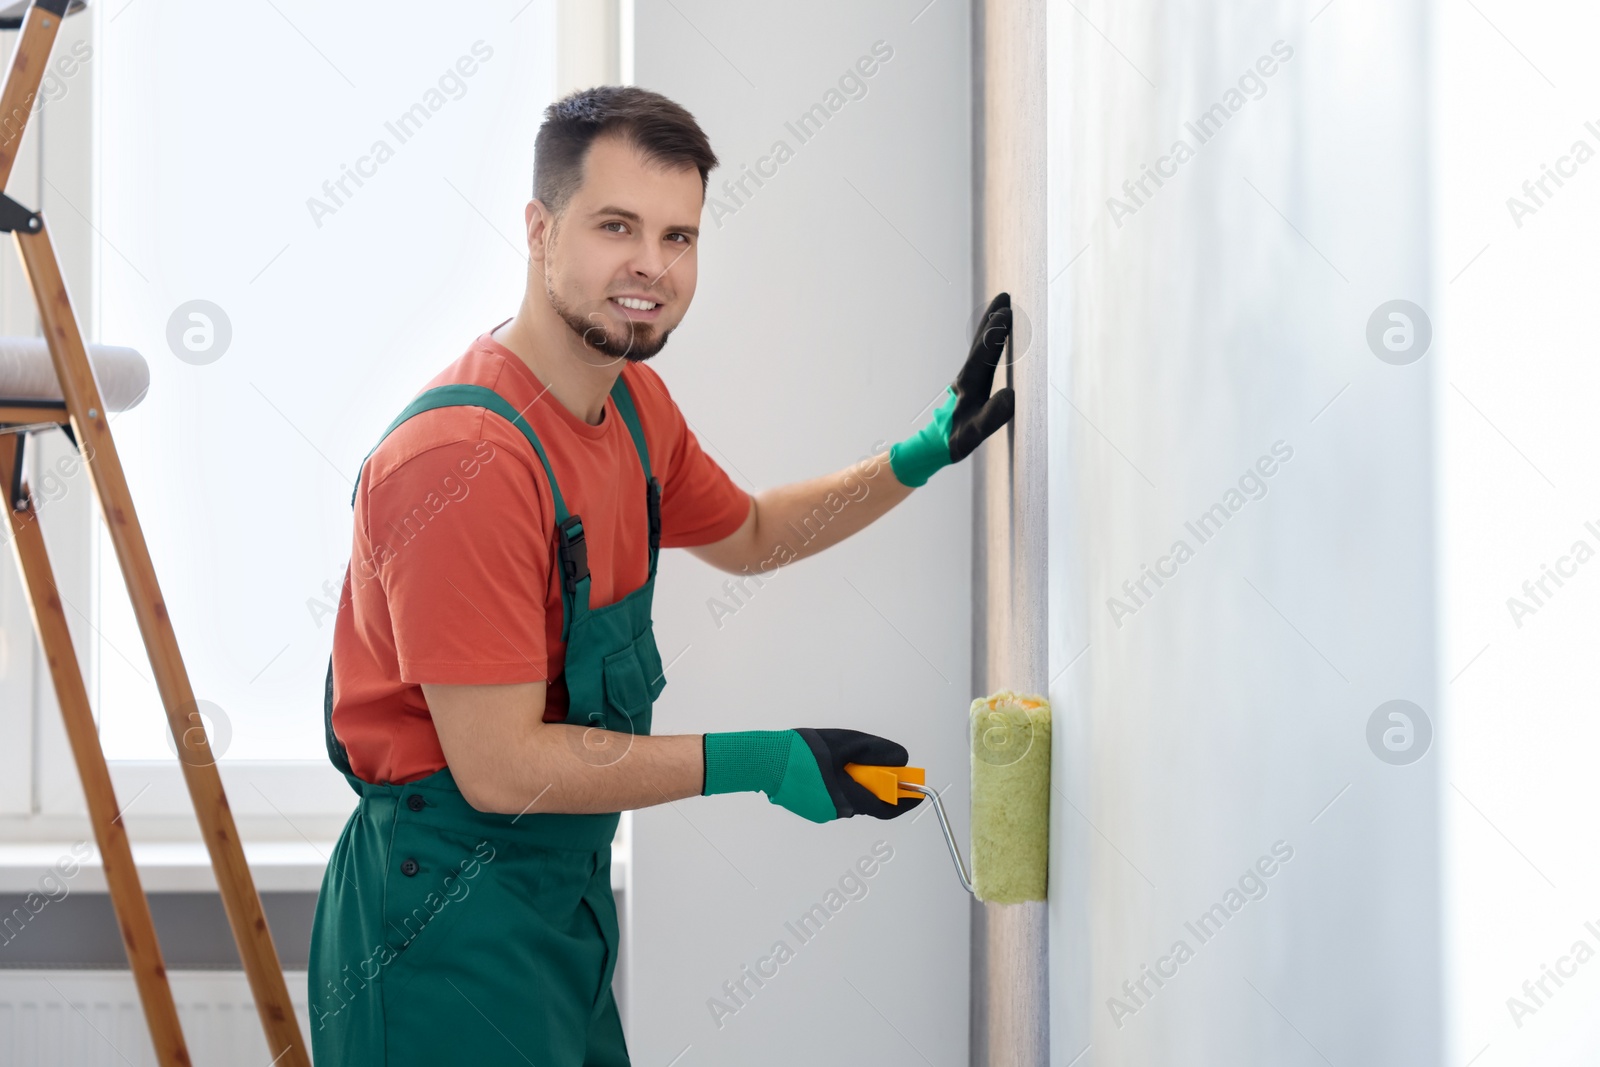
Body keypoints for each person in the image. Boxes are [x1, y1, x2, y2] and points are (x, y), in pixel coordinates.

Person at [307, 84, 1014, 1066]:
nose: (651, 265)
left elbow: (752, 533)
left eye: (678, 236)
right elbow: (503, 765)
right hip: (439, 923)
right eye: (616, 226)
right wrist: (764, 761)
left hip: (558, 903)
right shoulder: (461, 464)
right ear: (538, 230)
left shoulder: (633, 408)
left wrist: (919, 453)